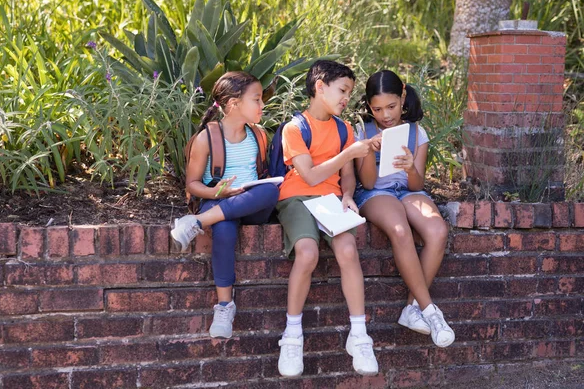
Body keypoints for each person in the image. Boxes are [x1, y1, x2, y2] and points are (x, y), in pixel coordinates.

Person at [276, 60, 378, 377]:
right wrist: (349, 153)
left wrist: (348, 196)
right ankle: (292, 336)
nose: (347, 98)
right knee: (307, 253)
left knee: (348, 250)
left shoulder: (343, 129)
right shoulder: (294, 128)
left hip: (331, 201)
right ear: (320, 87)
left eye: (349, 92)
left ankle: (359, 335)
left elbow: (346, 176)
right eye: (342, 90)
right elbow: (308, 176)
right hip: (296, 197)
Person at [171, 71, 280, 339]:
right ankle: (224, 306)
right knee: (225, 231)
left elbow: (263, 177)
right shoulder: (206, 138)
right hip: (219, 201)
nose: (262, 105)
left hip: (252, 203)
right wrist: (217, 192)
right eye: (257, 99)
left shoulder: (259, 135)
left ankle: (196, 223)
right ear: (233, 104)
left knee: (269, 190)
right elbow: (192, 184)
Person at [354, 70, 454, 348]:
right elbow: (368, 182)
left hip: (409, 191)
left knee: (437, 230)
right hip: (375, 193)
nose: (385, 115)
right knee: (400, 229)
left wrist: (410, 167)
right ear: (368, 106)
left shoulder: (417, 132)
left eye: (391, 106)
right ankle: (431, 311)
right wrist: (368, 151)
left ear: (403, 97)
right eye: (377, 109)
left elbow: (416, 184)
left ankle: (412, 308)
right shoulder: (363, 130)